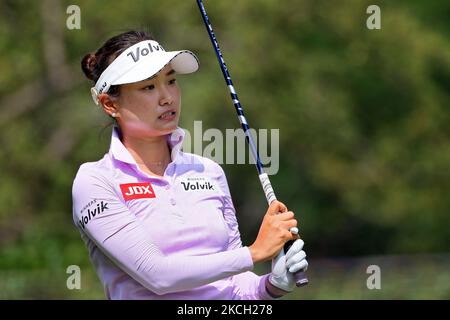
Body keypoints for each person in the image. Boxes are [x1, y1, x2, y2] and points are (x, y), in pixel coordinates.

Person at [72, 30, 308, 300]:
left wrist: (271, 286)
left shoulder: (209, 172)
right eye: (148, 87)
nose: (167, 97)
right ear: (109, 104)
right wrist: (254, 252)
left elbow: (235, 288)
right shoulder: (95, 181)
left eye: (171, 81)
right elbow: (158, 276)